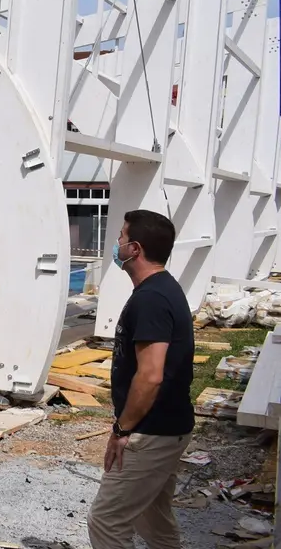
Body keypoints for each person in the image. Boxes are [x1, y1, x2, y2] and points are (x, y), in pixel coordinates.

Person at [87, 209, 194, 549]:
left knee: (106, 521)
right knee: (153, 518)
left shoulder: (151, 299)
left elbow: (150, 376)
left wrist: (122, 430)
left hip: (151, 432)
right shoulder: (161, 289)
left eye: (120, 237)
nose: (116, 243)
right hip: (168, 428)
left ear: (134, 249)